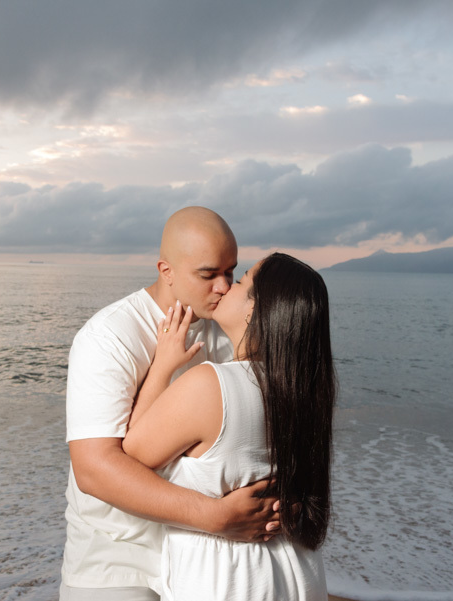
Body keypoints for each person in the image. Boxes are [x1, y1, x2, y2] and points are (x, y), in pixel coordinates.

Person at [61, 207, 280, 601]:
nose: (223, 286)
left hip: (204, 559)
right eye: (208, 274)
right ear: (167, 271)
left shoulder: (230, 329)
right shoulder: (110, 335)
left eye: (231, 271)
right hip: (117, 560)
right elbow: (93, 470)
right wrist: (214, 517)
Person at [123, 252, 335, 600]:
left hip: (230, 580)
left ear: (256, 309)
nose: (224, 287)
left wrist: (162, 366)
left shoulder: (211, 385)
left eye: (240, 281)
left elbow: (131, 455)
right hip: (298, 572)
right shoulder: (305, 393)